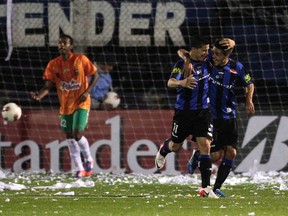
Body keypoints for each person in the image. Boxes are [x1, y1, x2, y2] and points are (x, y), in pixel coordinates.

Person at [180, 38, 255, 197]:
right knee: (214, 156)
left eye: (218, 54)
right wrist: (187, 60)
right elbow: (182, 51)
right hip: (209, 117)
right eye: (213, 52)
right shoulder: (208, 62)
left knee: (231, 153)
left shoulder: (236, 67)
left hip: (229, 116)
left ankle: (216, 188)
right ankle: (198, 155)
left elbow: (249, 84)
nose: (213, 55)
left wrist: (249, 100)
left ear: (226, 54)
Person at [155, 35, 219, 198]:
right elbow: (170, 82)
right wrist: (183, 82)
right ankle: (164, 148)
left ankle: (206, 188)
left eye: (208, 50)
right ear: (195, 49)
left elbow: (182, 51)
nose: (207, 53)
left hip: (203, 111)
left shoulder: (207, 61)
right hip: (183, 113)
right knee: (176, 146)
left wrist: (188, 57)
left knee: (205, 145)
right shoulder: (181, 65)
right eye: (204, 50)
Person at [31, 34, 98, 178]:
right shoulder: (53, 64)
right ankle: (79, 168)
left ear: (71, 46)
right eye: (59, 43)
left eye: (64, 43)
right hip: (65, 105)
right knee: (69, 136)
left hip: (81, 102)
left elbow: (95, 75)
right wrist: (39, 95)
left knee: (77, 133)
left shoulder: (81, 59)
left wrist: (87, 92)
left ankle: (89, 159)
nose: (61, 45)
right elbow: (48, 86)